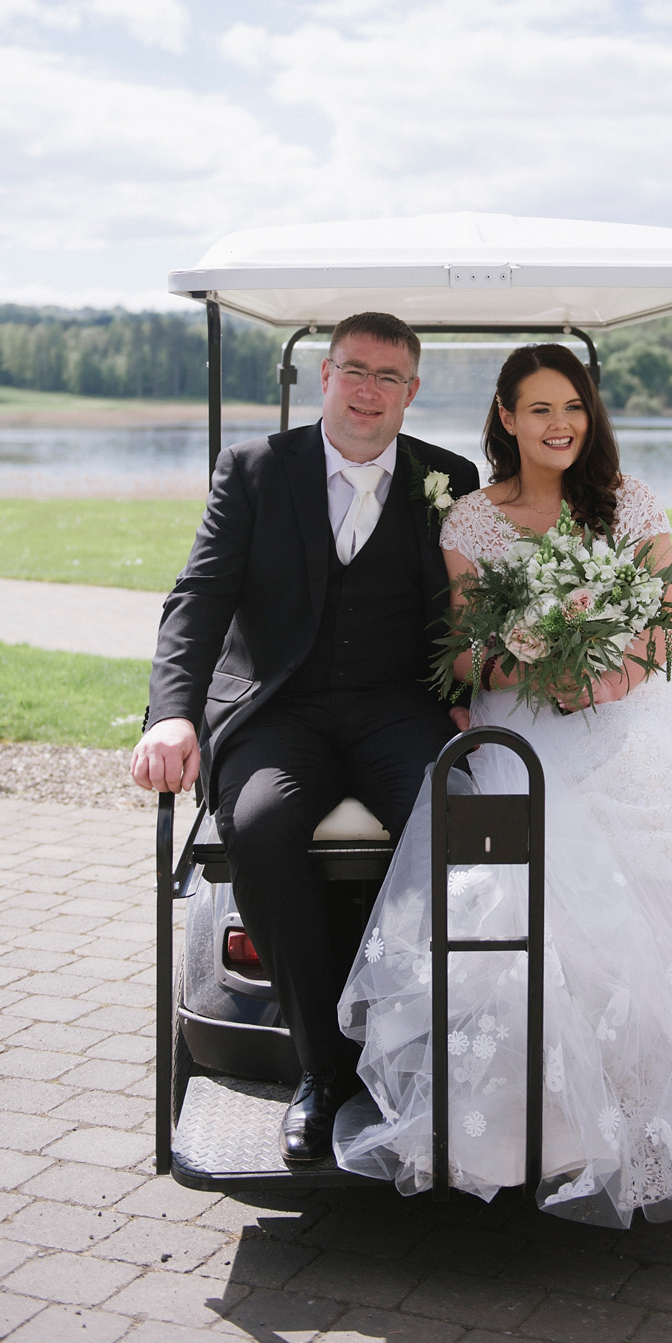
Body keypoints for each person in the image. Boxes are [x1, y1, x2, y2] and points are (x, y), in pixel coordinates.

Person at [334, 343, 672, 1226]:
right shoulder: (472, 523)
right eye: (538, 410)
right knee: (559, 818)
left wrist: (601, 677)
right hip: (519, 717)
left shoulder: (631, 502)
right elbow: (465, 653)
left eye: (572, 406)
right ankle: (553, 1118)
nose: (559, 424)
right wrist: (526, 656)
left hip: (624, 704)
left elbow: (658, 626)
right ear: (506, 418)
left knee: (635, 754)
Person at [131, 311, 479, 1164]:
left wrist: (471, 696)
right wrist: (172, 712)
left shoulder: (448, 476)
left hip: (398, 706)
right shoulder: (255, 470)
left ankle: (424, 1043)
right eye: (354, 371)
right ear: (324, 376)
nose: (368, 391)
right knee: (257, 825)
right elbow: (199, 598)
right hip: (279, 708)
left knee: (458, 818)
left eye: (388, 378)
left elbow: (466, 606)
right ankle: (322, 1070)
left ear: (412, 391)